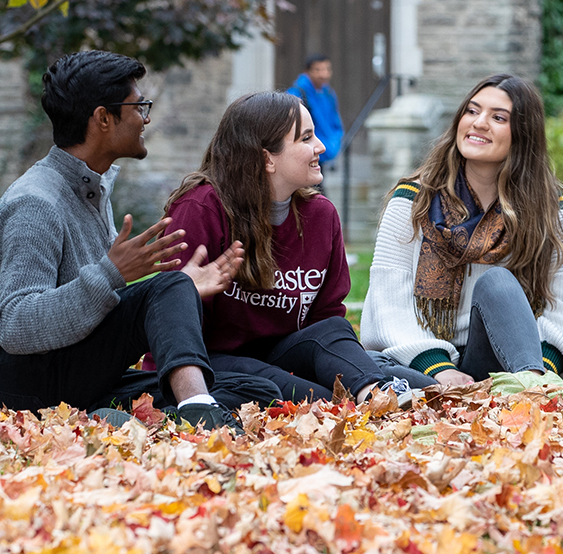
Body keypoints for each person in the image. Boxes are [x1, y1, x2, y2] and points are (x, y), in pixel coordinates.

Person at [0, 50, 253, 431]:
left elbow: (101, 304)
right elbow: (15, 325)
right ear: (103, 119)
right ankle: (196, 413)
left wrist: (176, 292)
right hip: (4, 383)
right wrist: (113, 274)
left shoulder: (91, 189)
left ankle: (114, 417)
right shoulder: (35, 202)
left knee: (246, 387)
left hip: (65, 372)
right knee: (170, 293)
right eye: (138, 106)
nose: (146, 118)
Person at [161, 91, 435, 405]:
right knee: (320, 399)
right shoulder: (200, 209)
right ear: (267, 159)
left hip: (283, 355)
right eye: (305, 138)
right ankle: (365, 398)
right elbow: (171, 322)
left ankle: (379, 395)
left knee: (334, 333)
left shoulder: (321, 216)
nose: (320, 146)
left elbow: (326, 319)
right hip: (211, 362)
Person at [362, 74, 563, 384]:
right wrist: (441, 369)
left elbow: (560, 311)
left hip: (504, 361)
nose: (479, 123)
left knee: (498, 283)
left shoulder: (548, 210)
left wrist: (538, 367)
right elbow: (388, 304)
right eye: (472, 111)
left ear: (523, 134)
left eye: (498, 117)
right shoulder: (412, 200)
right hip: (424, 364)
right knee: (370, 366)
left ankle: (532, 389)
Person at [286, 53, 345, 167]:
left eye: (327, 69)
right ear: (307, 72)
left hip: (324, 149)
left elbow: (335, 121)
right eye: (318, 70)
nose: (324, 74)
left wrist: (335, 141)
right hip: (306, 153)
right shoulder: (296, 94)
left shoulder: (328, 93)